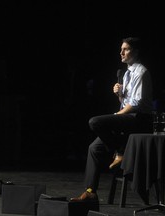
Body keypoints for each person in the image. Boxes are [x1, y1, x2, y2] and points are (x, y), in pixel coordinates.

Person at [70, 37, 153, 202]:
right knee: (94, 148)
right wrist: (119, 95)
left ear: (136, 52)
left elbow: (135, 105)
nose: (121, 52)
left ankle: (120, 152)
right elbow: (127, 102)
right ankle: (90, 192)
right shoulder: (126, 73)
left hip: (139, 120)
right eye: (121, 49)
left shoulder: (141, 72)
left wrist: (117, 115)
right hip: (129, 117)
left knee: (95, 122)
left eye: (126, 49)